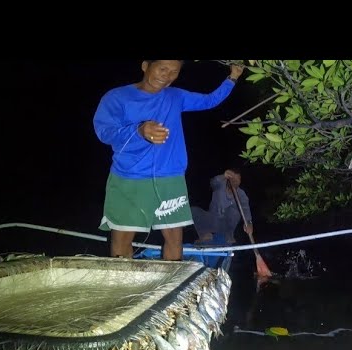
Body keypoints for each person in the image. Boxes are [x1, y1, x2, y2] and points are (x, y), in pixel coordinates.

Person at [93, 60, 244, 260]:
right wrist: (139, 130)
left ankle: (171, 286)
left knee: (174, 238)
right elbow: (105, 132)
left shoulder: (175, 96)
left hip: (169, 177)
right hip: (128, 177)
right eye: (162, 68)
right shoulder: (117, 97)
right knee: (122, 238)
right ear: (145, 66)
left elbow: (209, 100)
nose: (167, 76)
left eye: (174, 72)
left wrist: (232, 77)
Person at [191, 168, 253, 245]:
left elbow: (246, 209)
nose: (236, 182)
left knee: (234, 212)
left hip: (225, 226)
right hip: (212, 219)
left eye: (238, 179)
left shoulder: (241, 194)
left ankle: (229, 235)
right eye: (233, 179)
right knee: (193, 211)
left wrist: (248, 222)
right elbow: (213, 182)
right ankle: (204, 235)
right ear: (228, 179)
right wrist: (223, 176)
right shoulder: (220, 185)